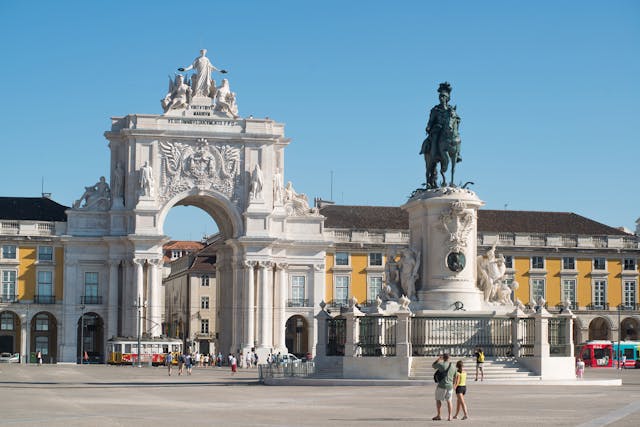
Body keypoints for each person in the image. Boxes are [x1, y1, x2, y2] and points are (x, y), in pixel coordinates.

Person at [419, 82, 462, 189]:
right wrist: (429, 127)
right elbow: (430, 122)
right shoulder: (435, 110)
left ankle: (458, 154)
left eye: (443, 96)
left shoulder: (451, 110)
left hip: (449, 132)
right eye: (440, 96)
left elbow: (457, 120)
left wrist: (456, 122)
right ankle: (433, 157)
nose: (441, 98)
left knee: (457, 140)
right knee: (434, 143)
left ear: (447, 98)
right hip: (437, 131)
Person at [432, 354, 455, 421]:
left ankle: (439, 415)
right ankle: (450, 416)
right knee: (449, 401)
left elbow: (433, 365)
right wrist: (454, 384)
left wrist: (439, 359)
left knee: (438, 400)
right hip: (450, 386)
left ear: (443, 358)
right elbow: (456, 375)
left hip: (441, 386)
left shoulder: (441, 365)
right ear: (449, 358)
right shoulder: (453, 366)